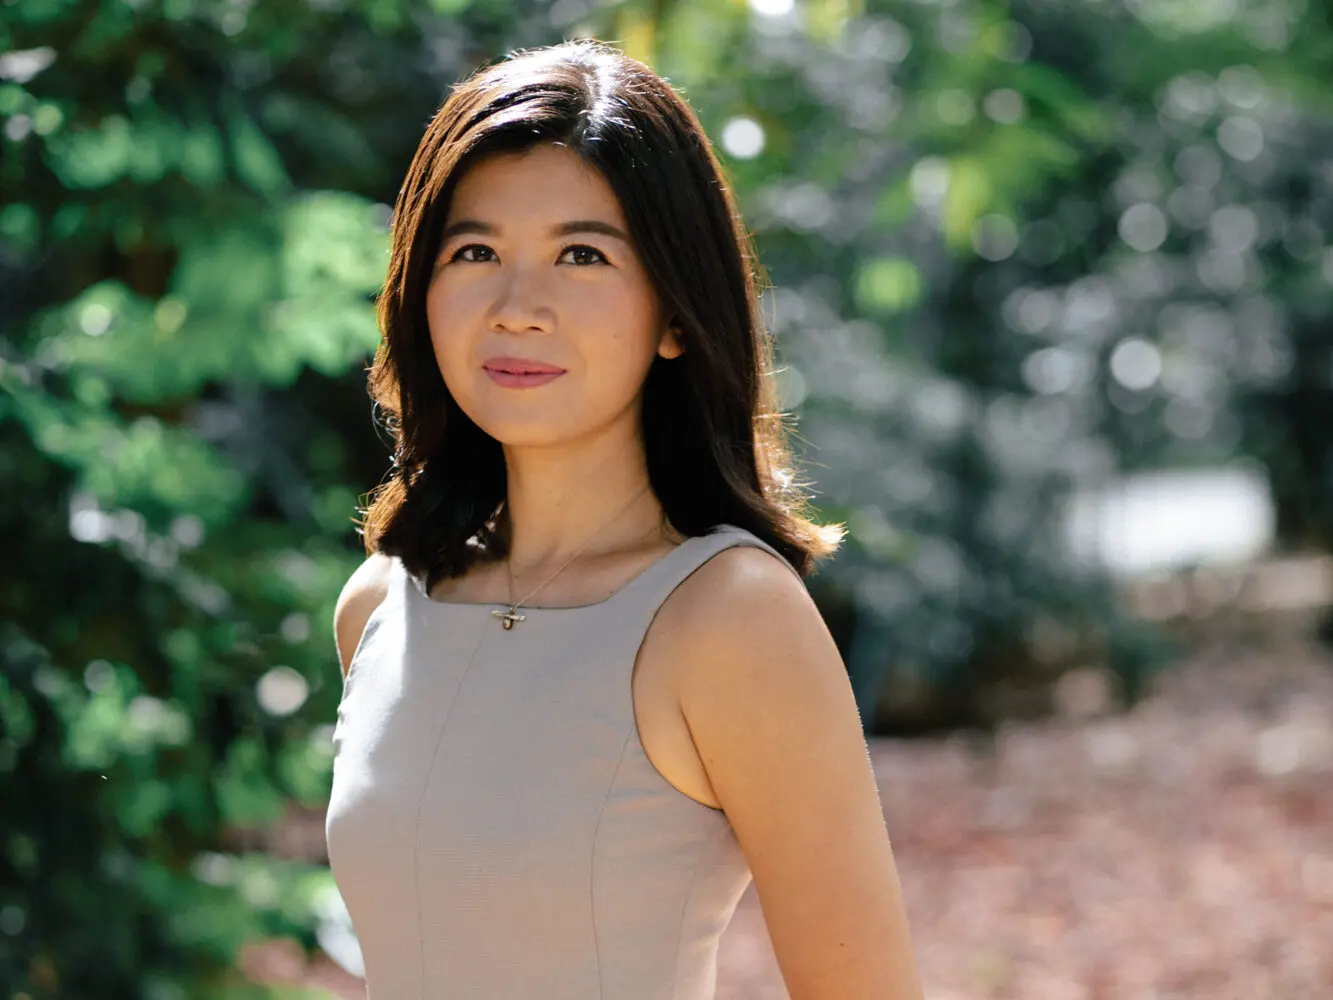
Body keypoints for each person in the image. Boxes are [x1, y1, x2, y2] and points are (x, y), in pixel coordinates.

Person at [325, 38, 923, 1000]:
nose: (518, 307)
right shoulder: (378, 608)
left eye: (582, 255)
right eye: (474, 252)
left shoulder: (730, 617)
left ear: (676, 314)